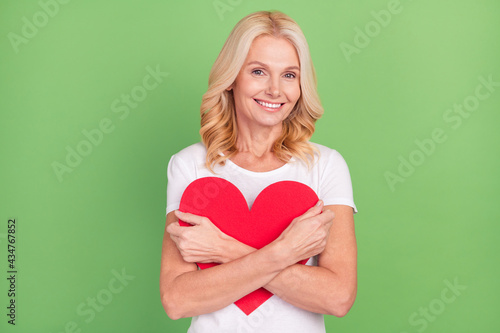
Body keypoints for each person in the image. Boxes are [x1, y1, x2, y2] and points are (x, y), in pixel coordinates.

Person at [160, 10, 358, 333]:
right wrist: (286, 252)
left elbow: (337, 297)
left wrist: (224, 248)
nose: (275, 90)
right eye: (258, 71)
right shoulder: (190, 166)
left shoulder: (325, 167)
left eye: (289, 75)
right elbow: (176, 299)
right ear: (232, 77)